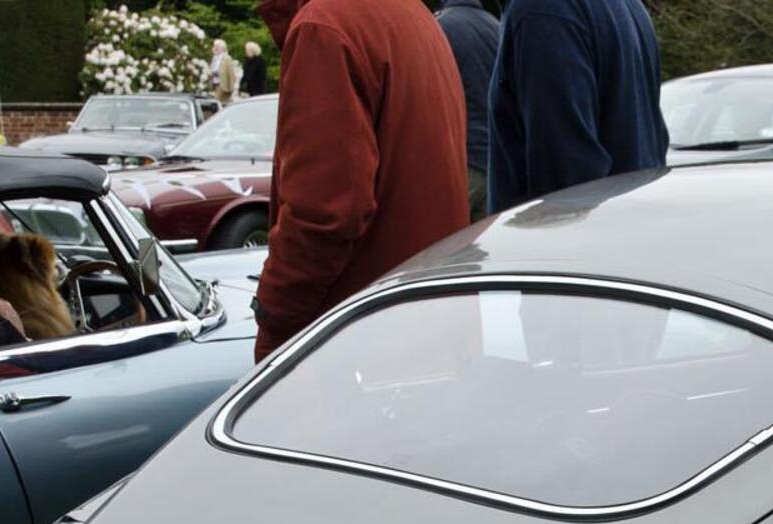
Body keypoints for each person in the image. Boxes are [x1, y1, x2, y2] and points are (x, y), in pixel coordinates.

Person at [252, 0, 470, 360]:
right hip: (424, 320)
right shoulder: (411, 14)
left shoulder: (324, 28)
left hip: (359, 341)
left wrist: (274, 319)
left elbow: (324, 214)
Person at [486, 0, 666, 210]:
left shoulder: (542, 9)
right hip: (629, 223)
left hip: (571, 234)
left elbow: (566, 177)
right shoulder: (629, 6)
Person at [435, 0, 502, 219]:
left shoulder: (441, 26)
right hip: (494, 163)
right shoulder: (496, 26)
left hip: (463, 162)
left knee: (441, 248)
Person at [206, 38, 241, 105]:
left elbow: (231, 74)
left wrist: (231, 88)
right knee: (219, 102)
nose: (215, 48)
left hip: (222, 84)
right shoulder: (214, 58)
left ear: (222, 48)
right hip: (214, 83)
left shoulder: (227, 58)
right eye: (214, 46)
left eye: (217, 47)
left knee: (217, 101)